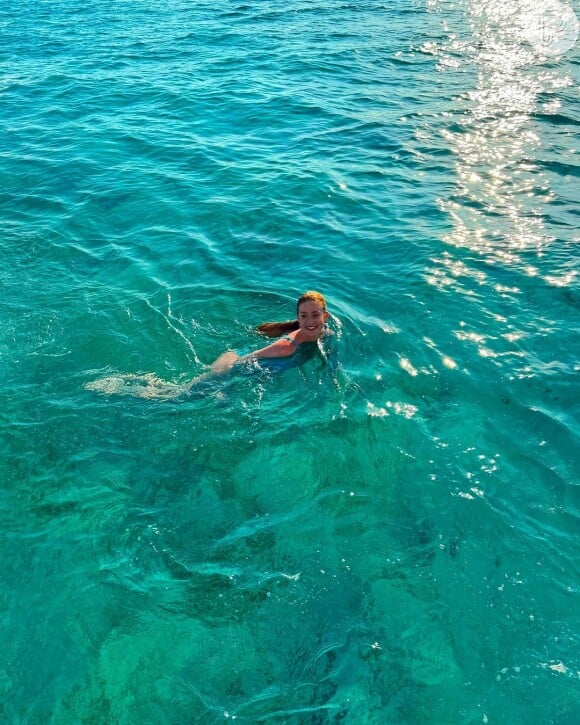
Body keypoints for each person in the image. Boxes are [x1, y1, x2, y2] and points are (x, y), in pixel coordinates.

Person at [85, 290, 334, 398]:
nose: (310, 321)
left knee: (182, 393)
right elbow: (248, 359)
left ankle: (140, 386)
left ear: (325, 316)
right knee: (179, 397)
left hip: (238, 364)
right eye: (304, 316)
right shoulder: (288, 345)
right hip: (232, 366)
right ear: (298, 317)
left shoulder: (325, 332)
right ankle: (120, 388)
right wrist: (225, 384)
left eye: (315, 315)